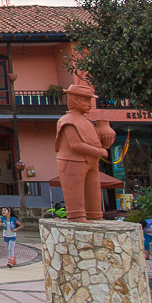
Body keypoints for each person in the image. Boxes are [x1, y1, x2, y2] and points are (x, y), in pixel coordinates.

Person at [54, 83, 111, 223]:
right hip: (72, 161)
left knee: (93, 188)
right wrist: (99, 151)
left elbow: (96, 141)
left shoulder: (87, 121)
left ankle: (95, 213)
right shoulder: (67, 121)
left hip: (91, 160)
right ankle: (76, 216)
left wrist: (106, 140)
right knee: (75, 189)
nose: (90, 104)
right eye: (86, 100)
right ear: (74, 100)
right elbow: (75, 145)